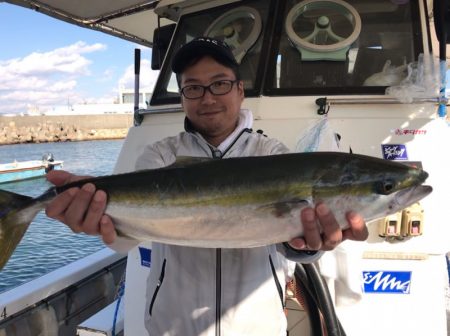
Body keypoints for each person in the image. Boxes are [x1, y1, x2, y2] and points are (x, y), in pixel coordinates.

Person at [46, 37, 368, 336]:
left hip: (257, 328)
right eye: (193, 88)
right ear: (183, 98)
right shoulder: (160, 156)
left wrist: (306, 245)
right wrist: (97, 220)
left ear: (240, 90)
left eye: (219, 84)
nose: (208, 97)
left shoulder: (271, 155)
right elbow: (126, 240)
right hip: (173, 327)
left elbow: (289, 241)